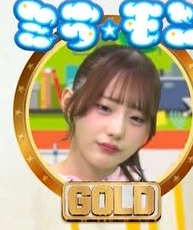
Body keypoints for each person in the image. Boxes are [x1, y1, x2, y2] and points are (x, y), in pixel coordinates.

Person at [50, 45, 162, 182]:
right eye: (104, 107)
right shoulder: (34, 185)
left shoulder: (144, 192)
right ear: (69, 104)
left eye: (136, 118)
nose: (117, 131)